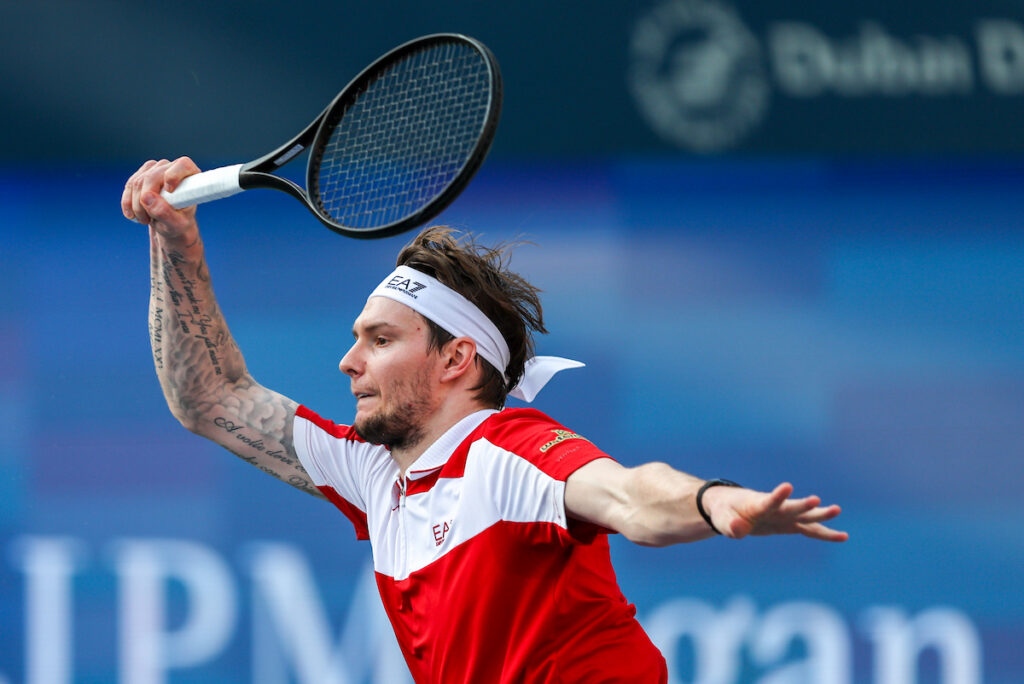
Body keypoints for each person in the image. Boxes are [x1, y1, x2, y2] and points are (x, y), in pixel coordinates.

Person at [122, 157, 848, 684]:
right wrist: (174, 241)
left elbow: (630, 496)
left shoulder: (509, 451)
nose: (349, 362)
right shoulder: (375, 472)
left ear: (455, 360)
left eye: (379, 340)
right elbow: (210, 397)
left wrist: (712, 500)